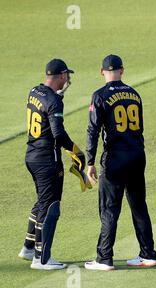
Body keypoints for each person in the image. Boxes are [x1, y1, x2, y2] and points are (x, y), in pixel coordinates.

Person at [84, 54, 156, 271]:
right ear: (122, 70)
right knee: (139, 206)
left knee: (109, 209)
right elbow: (140, 128)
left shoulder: (99, 95)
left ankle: (104, 258)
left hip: (115, 158)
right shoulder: (134, 94)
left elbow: (93, 130)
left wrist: (90, 161)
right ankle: (148, 254)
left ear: (102, 72)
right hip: (136, 155)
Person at [20, 58, 86, 270]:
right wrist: (75, 150)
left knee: (41, 201)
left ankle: (29, 247)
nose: (68, 79)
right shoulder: (54, 101)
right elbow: (58, 134)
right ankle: (42, 259)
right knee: (50, 207)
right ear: (59, 76)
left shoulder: (34, 91)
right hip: (48, 160)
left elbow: (45, 114)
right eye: (66, 75)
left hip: (31, 155)